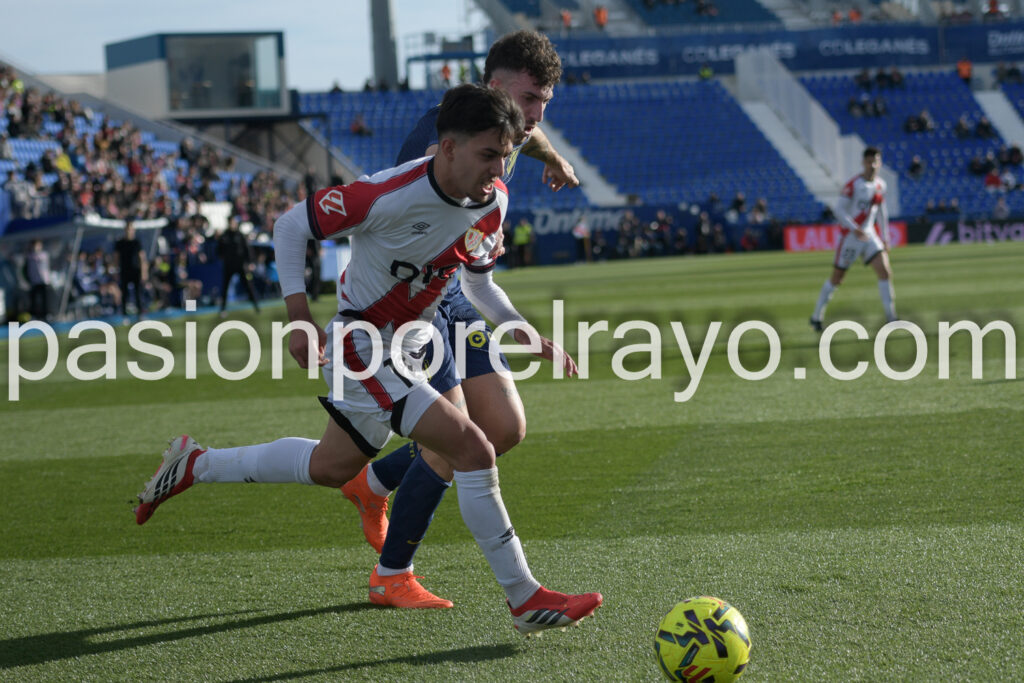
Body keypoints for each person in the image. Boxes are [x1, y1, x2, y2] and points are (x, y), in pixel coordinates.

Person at [133, 84, 602, 635]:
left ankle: (196, 463)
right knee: (473, 447)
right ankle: (524, 598)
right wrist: (299, 317)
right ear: (447, 147)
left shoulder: (492, 200)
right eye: (487, 154)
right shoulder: (387, 194)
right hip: (363, 345)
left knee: (331, 467)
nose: (498, 168)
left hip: (415, 344)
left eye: (504, 155)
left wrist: (524, 332)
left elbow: (478, 281)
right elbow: (290, 226)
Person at [348, 31, 582, 609]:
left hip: (454, 293)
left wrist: (550, 154)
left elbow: (526, 137)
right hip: (413, 303)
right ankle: (392, 574)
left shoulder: (504, 126)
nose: (536, 115)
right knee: (455, 440)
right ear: (494, 87)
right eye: (530, 99)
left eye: (545, 103)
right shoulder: (439, 145)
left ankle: (373, 482)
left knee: (503, 429)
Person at [810, 147, 896, 331]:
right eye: (869, 162)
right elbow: (838, 210)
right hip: (851, 237)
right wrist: (854, 229)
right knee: (837, 279)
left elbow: (881, 211)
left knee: (885, 272)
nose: (872, 166)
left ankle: (891, 318)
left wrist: (886, 237)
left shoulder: (881, 185)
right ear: (863, 163)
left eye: (876, 162)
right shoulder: (853, 185)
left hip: (870, 235)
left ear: (880, 164)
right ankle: (816, 316)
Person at [216, 216, 260, 315]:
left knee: (248, 286)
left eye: (234, 222)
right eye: (231, 222)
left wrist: (250, 262)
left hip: (241, 265)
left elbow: (247, 249)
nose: (233, 224)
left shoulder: (240, 235)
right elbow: (219, 251)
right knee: (225, 287)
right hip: (229, 266)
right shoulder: (224, 236)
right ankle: (223, 309)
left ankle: (256, 307)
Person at [113, 220, 147, 317]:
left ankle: (140, 314)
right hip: (124, 270)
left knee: (138, 293)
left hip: (136, 271)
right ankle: (124, 315)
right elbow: (116, 258)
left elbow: (142, 258)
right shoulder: (120, 243)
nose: (129, 231)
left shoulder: (137, 242)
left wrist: (144, 272)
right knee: (124, 294)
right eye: (128, 229)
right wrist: (115, 271)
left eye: (131, 229)